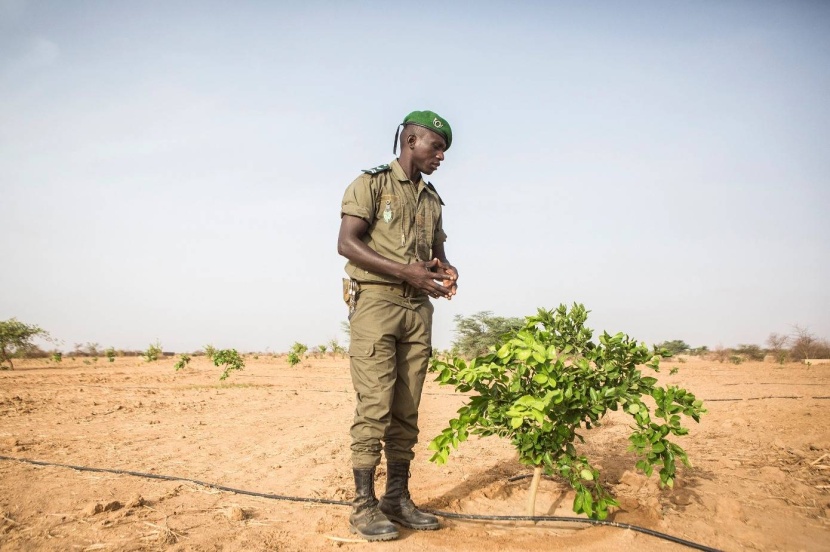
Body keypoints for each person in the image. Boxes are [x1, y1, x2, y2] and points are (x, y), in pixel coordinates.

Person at [337, 110, 458, 541]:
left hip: (417, 310)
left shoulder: (431, 199)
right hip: (376, 305)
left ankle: (396, 497)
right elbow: (346, 243)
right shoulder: (370, 185)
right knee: (375, 405)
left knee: (406, 410)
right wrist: (405, 272)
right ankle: (363, 504)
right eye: (436, 147)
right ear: (411, 141)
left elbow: (436, 254)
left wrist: (444, 272)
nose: (441, 156)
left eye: (444, 150)